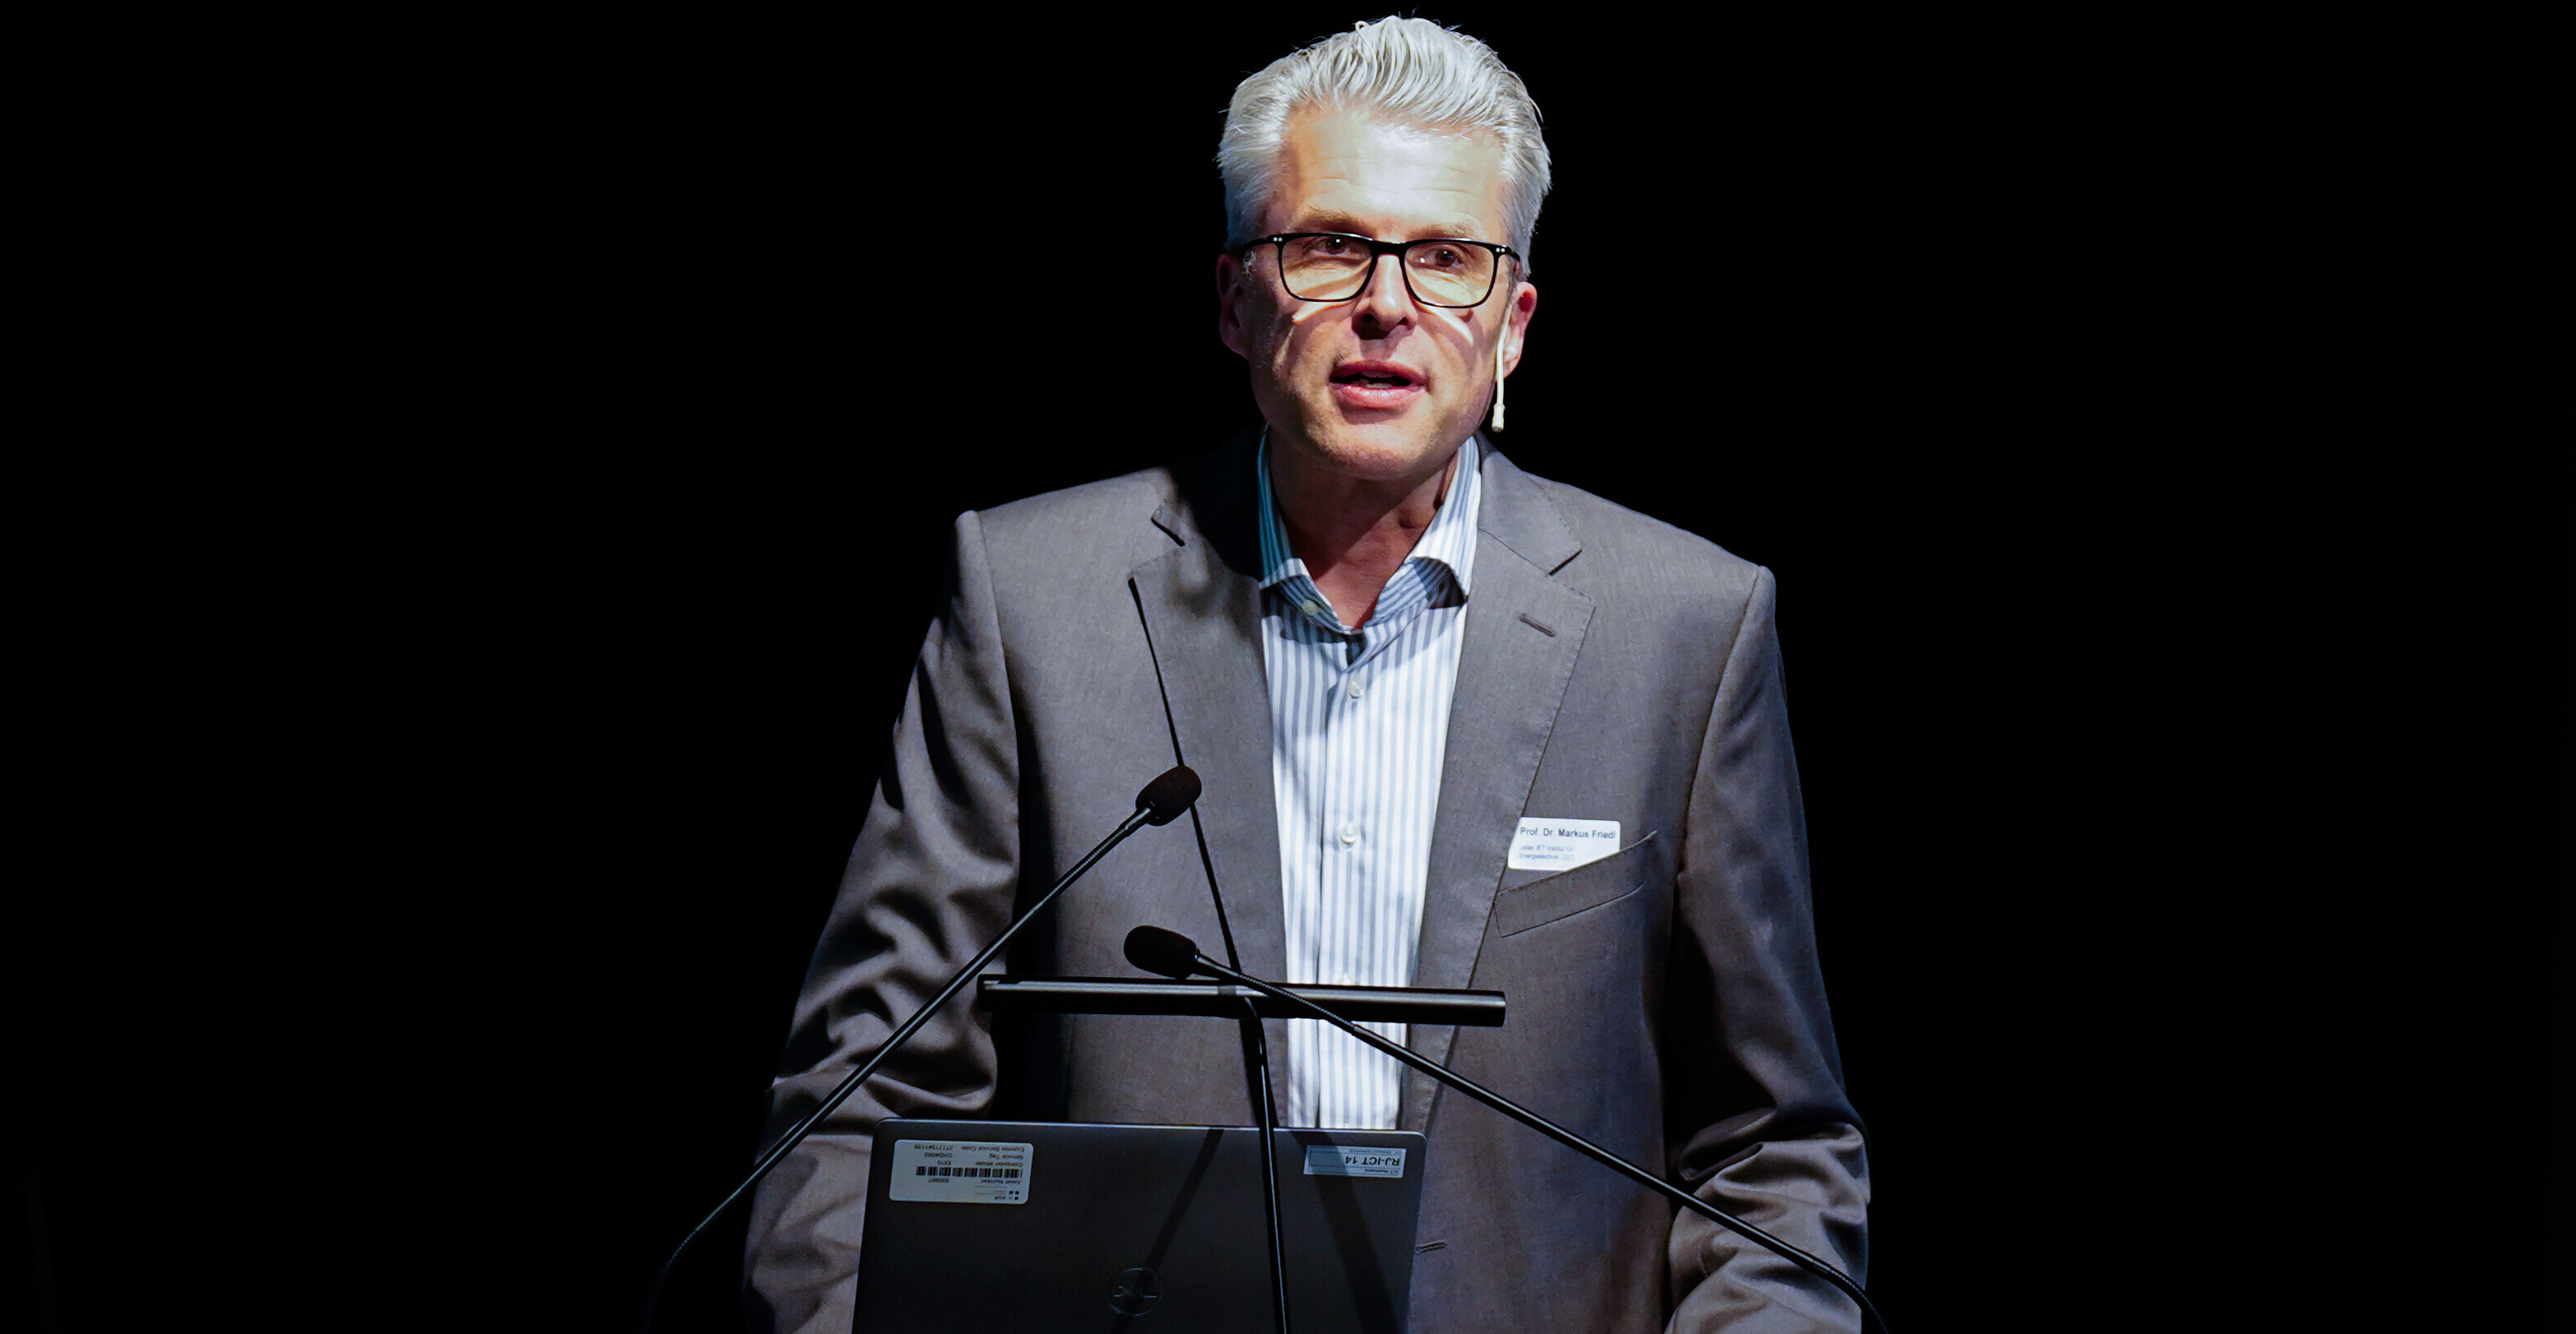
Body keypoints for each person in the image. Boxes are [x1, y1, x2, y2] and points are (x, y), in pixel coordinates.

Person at [745, 17, 1866, 1332]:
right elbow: (855, 1116)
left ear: (1511, 324)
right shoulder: (1031, 602)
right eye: (1330, 245)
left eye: (1445, 258)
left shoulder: (1681, 627)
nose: (1387, 304)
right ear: (1235, 300)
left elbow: (1770, 1153)